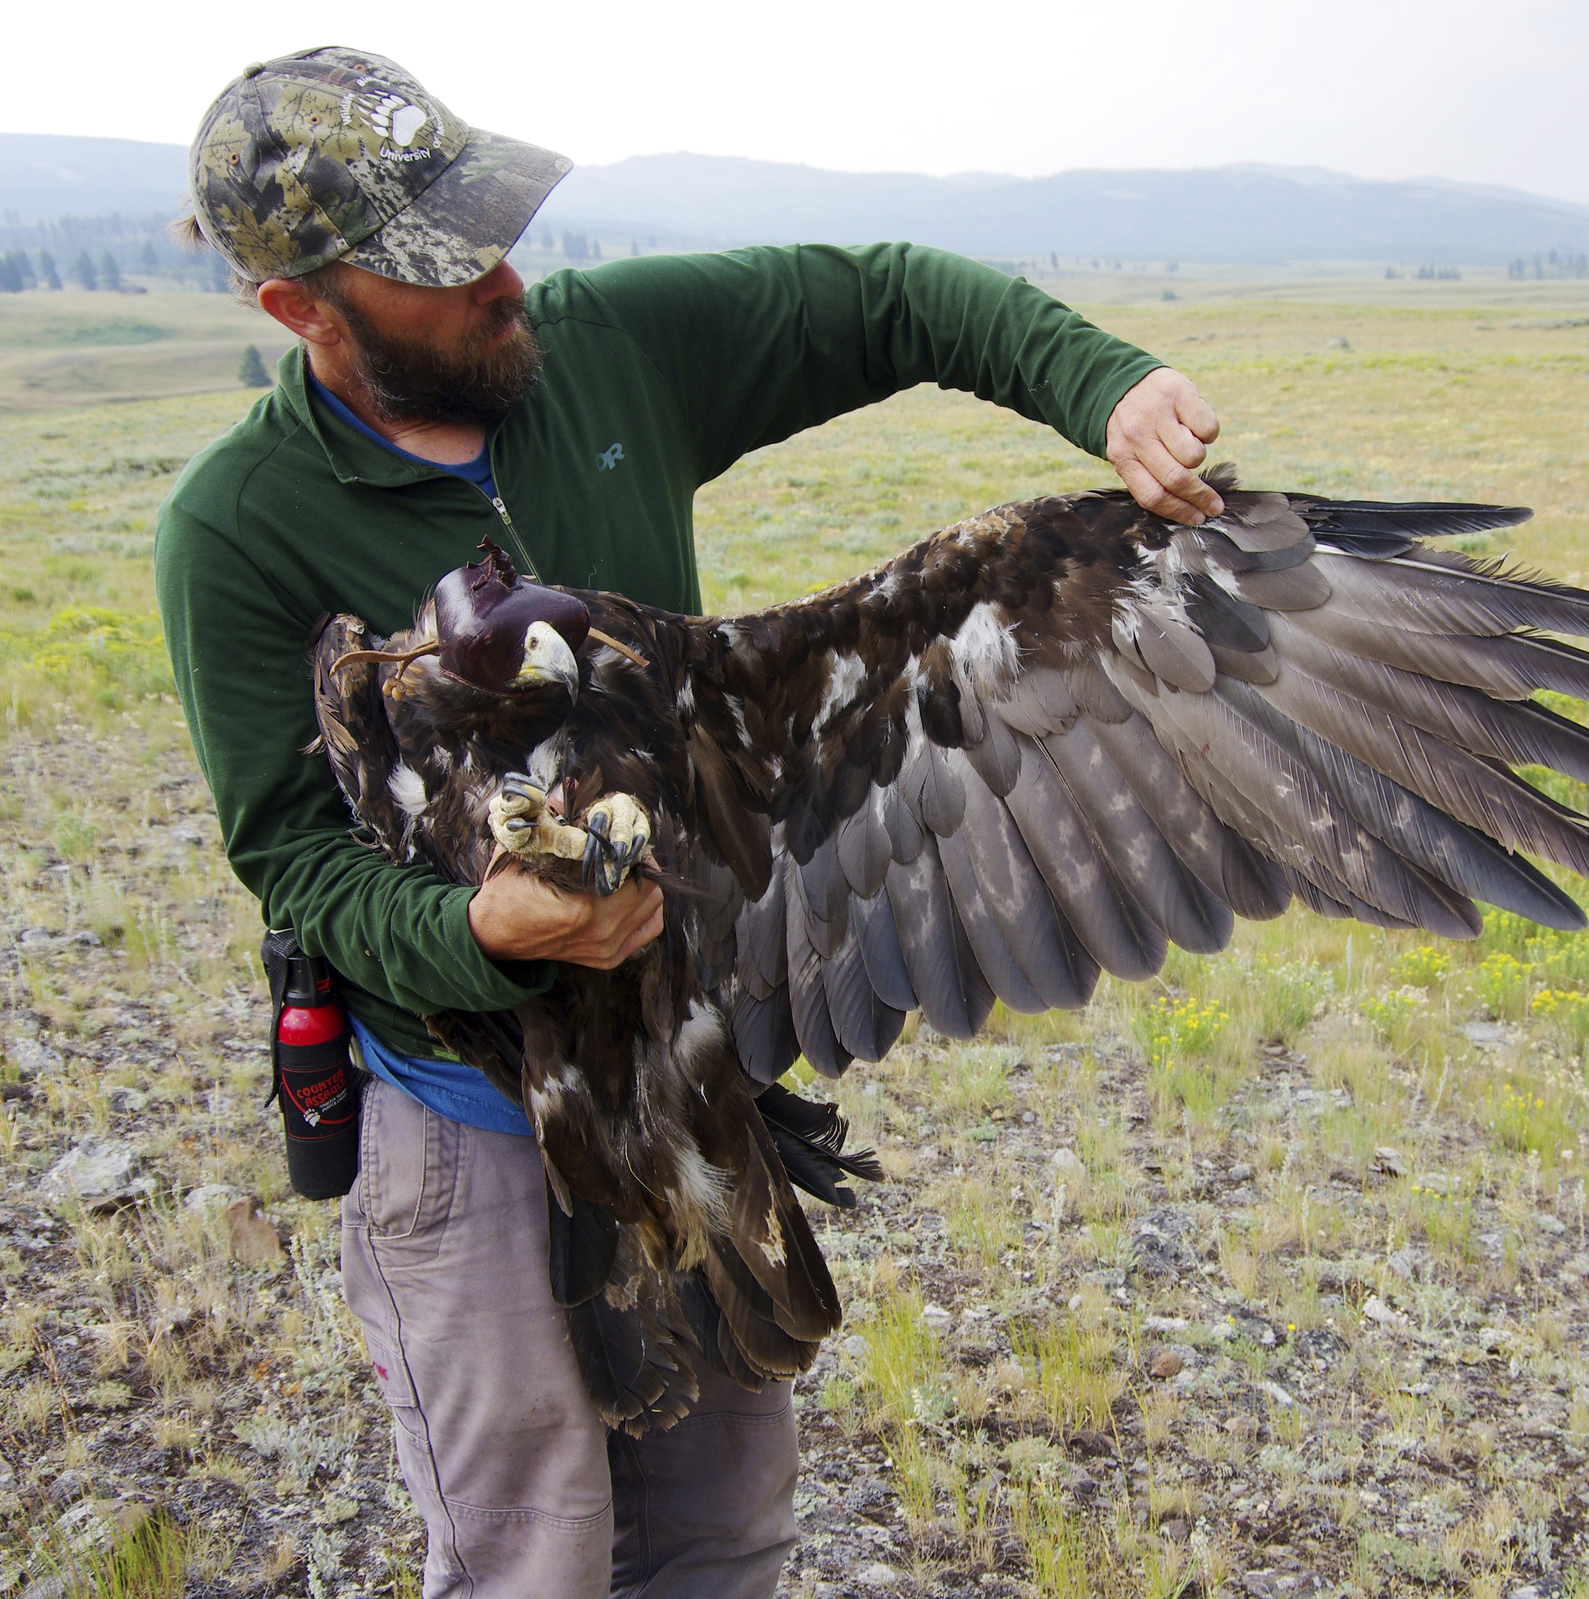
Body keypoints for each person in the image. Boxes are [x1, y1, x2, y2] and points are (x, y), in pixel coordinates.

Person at [157, 46, 1222, 1599]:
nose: (502, 276)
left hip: (684, 1076)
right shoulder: (235, 531)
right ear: (303, 310)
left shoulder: (606, 351)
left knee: (724, 1537)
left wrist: (1102, 384)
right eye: (442, 265)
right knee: (531, 1557)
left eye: (494, 228)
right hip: (457, 1112)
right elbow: (292, 860)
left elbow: (887, 296)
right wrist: (476, 936)